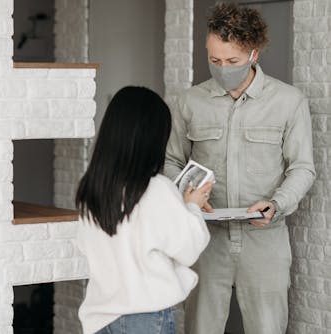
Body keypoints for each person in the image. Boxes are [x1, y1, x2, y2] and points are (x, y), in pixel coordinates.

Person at [164, 3, 316, 334]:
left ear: (254, 54)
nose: (222, 69)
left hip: (265, 242)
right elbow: (171, 161)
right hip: (205, 239)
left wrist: (276, 205)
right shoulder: (189, 102)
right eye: (214, 60)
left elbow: (302, 168)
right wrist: (185, 198)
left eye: (232, 61)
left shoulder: (289, 102)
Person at [76, 86, 212, 334]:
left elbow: (89, 246)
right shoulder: (156, 189)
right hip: (146, 319)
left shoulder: (91, 189)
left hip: (100, 319)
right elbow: (189, 249)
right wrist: (192, 205)